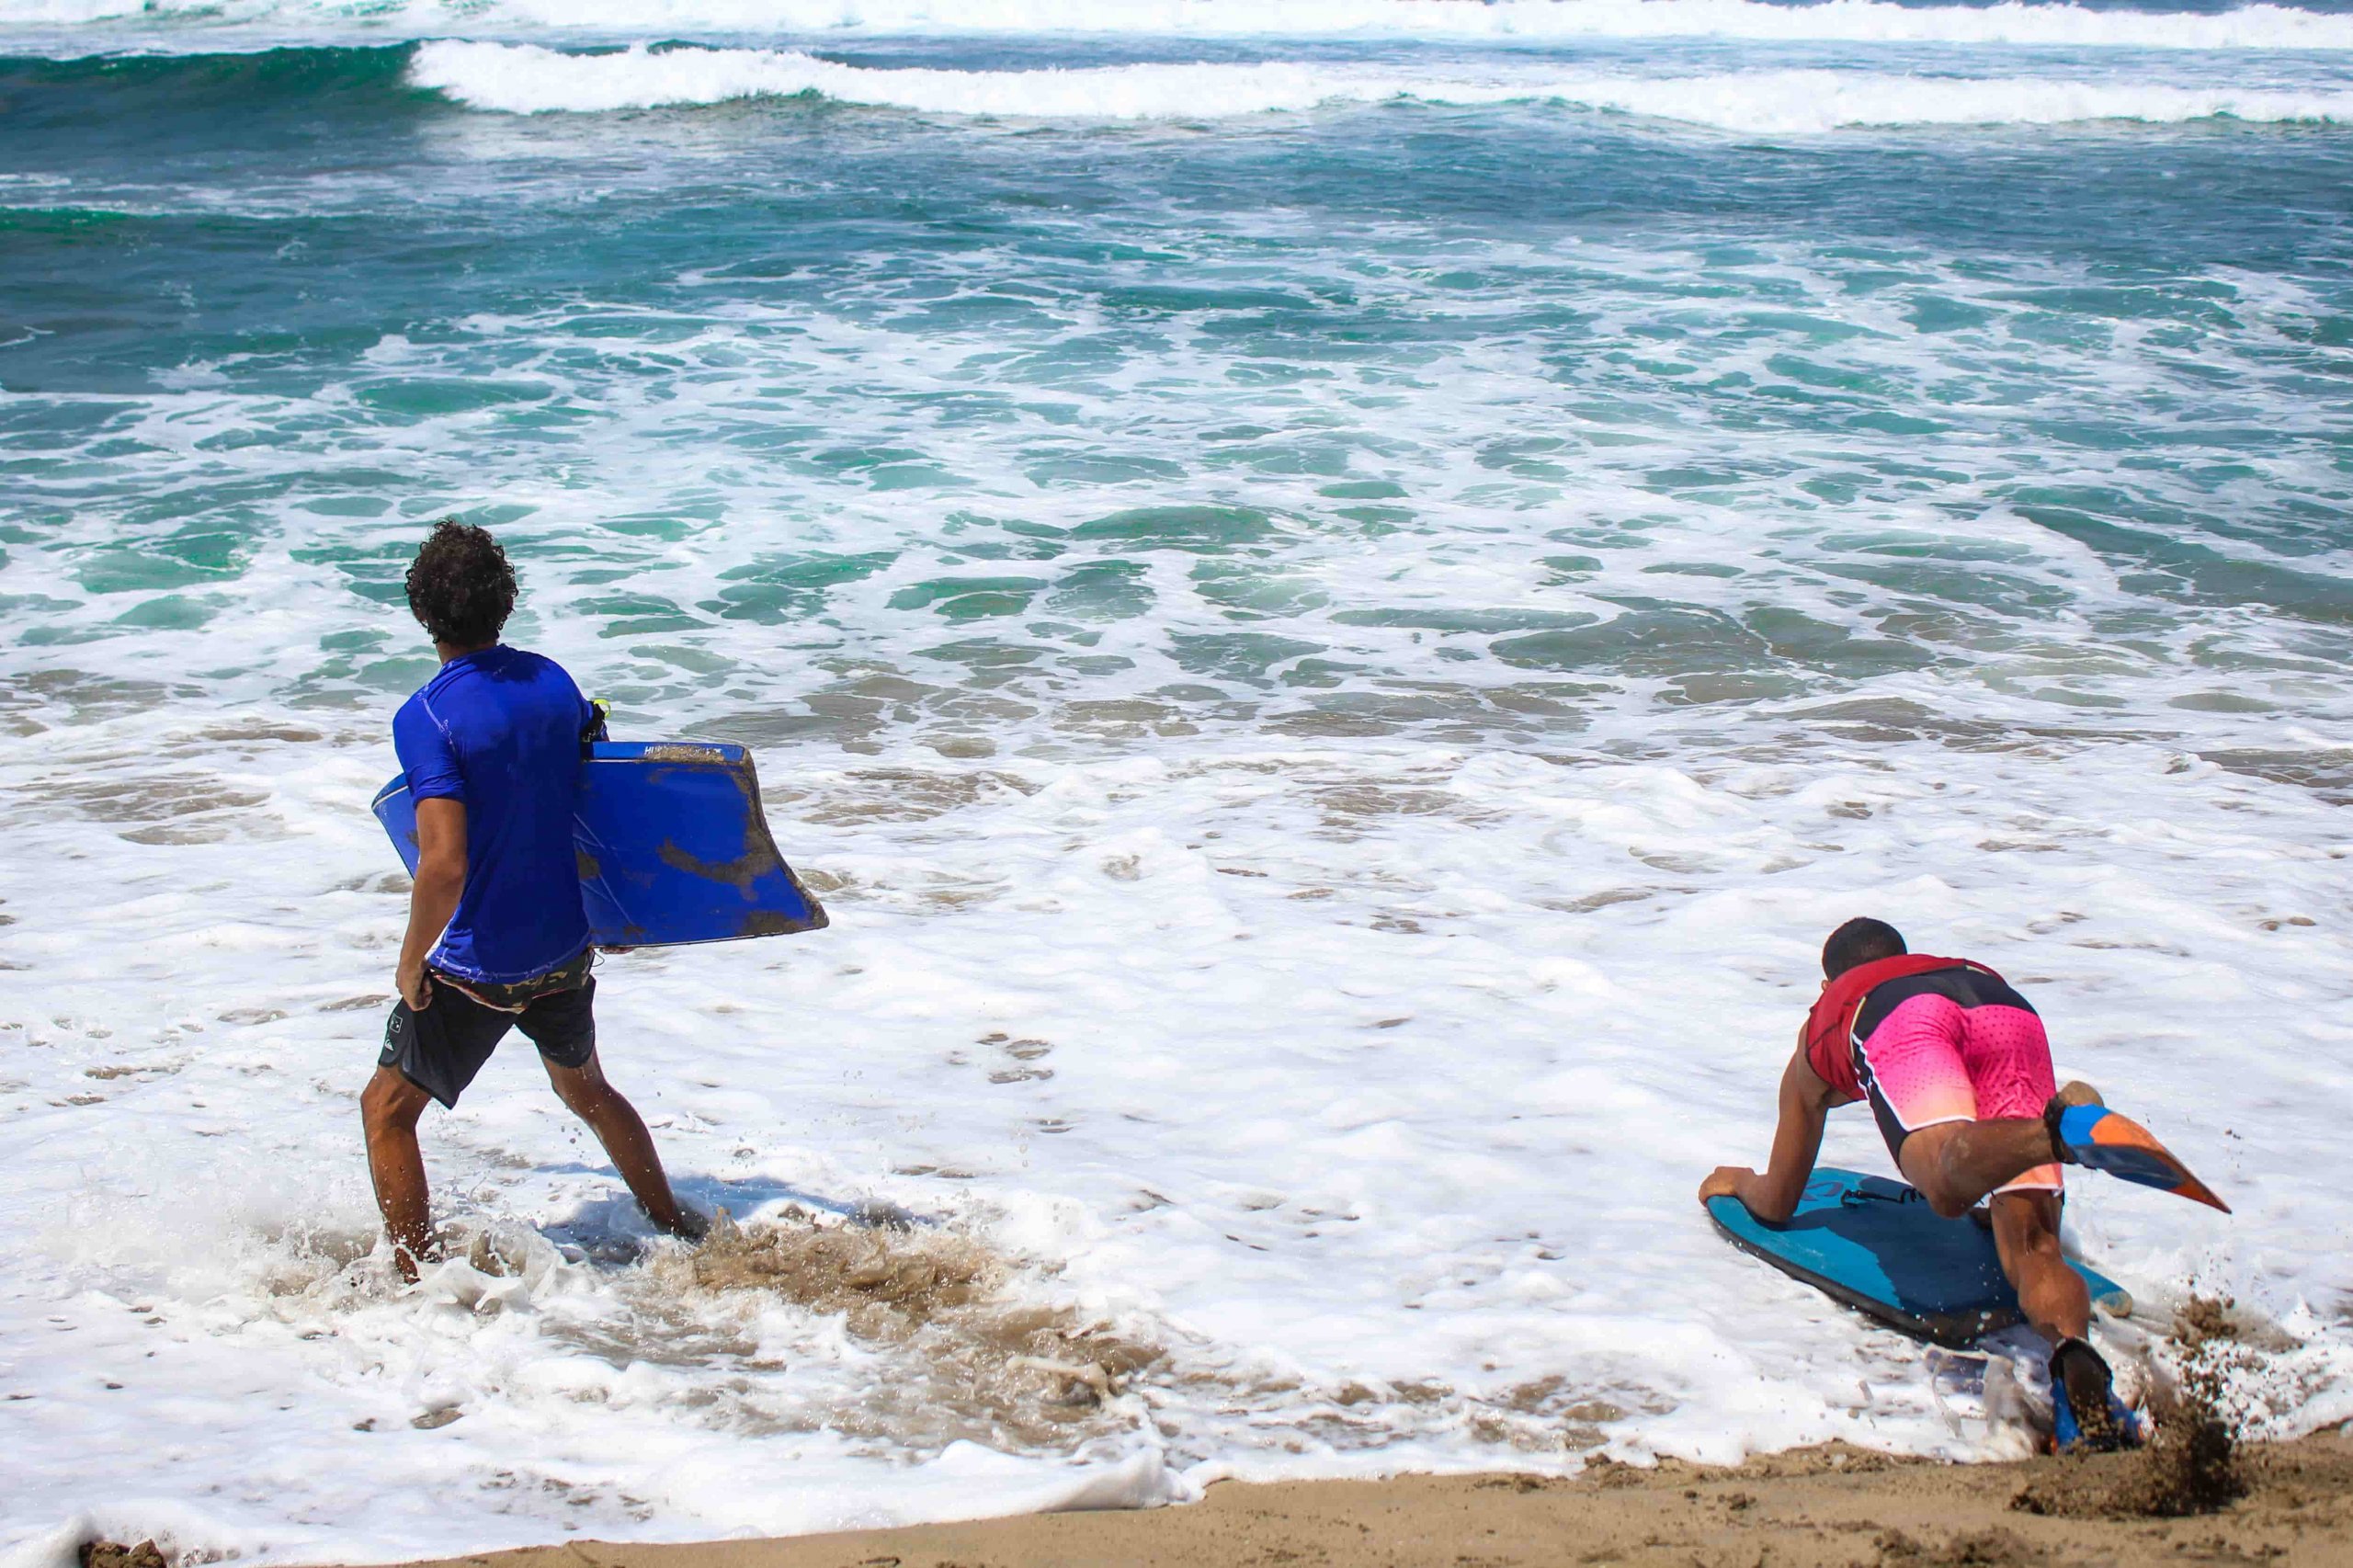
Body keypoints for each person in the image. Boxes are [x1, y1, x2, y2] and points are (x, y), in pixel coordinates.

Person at [1699, 917, 2224, 1451]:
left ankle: (2053, 1135)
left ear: (1826, 986)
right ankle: (2074, 1369)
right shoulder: (1949, 970)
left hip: (1901, 1020)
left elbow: (1778, 1204)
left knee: (1942, 1183)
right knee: (2035, 1249)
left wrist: (1742, 1183)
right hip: (2007, 1010)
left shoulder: (1831, 1018)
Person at [360, 519, 706, 1281]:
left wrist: (413, 961)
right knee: (585, 1087)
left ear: (422, 612)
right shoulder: (552, 681)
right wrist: (619, 913)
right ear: (504, 604)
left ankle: (415, 1283)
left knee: (386, 1112)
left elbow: (443, 864)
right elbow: (602, 797)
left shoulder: (426, 717)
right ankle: (677, 1224)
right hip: (564, 947)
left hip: (480, 964)